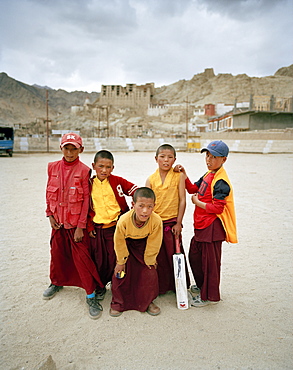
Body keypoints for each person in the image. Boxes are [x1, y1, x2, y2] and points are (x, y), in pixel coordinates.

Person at [43, 132, 103, 319]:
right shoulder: (52, 167)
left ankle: (91, 295)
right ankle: (56, 282)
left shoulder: (84, 171)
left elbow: (86, 199)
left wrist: (80, 226)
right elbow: (48, 192)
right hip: (58, 223)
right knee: (57, 254)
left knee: (82, 260)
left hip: (75, 224)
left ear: (81, 150)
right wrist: (49, 214)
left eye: (74, 148)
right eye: (66, 148)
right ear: (61, 148)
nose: (70, 152)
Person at [177, 140, 238, 307]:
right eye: (207, 156)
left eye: (214, 157)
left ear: (224, 159)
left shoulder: (221, 181)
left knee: (210, 263)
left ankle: (209, 297)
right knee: (195, 256)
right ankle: (203, 286)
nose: (209, 160)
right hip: (201, 225)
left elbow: (217, 208)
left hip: (212, 226)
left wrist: (197, 203)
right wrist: (184, 174)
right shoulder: (207, 175)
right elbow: (191, 189)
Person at [87, 150, 138, 300]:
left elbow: (134, 189)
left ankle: (119, 285)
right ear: (93, 166)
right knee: (99, 259)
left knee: (117, 257)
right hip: (97, 230)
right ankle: (101, 285)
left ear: (113, 168)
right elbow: (84, 208)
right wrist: (89, 227)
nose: (104, 170)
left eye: (108, 167)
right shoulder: (88, 184)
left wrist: (137, 202)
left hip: (116, 228)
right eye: (100, 166)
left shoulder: (117, 181)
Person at [110, 187, 163, 317]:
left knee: (149, 273)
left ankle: (148, 301)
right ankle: (118, 303)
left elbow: (155, 243)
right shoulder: (123, 220)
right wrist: (121, 261)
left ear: (154, 206)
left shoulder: (156, 221)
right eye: (141, 206)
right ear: (133, 205)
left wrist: (150, 260)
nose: (145, 211)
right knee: (120, 274)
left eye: (149, 206)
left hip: (144, 247)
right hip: (126, 247)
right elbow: (119, 242)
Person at [145, 144, 189, 295]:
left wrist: (178, 222)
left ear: (174, 159)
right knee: (158, 256)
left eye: (170, 157)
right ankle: (161, 286)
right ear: (156, 159)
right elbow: (147, 204)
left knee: (174, 254)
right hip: (156, 223)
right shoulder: (150, 179)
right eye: (162, 157)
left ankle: (178, 285)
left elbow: (183, 200)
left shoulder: (179, 176)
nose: (166, 160)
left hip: (172, 223)